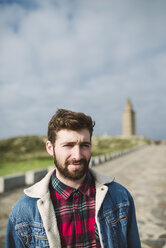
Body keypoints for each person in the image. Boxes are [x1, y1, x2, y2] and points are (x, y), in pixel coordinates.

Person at [6, 109, 141, 248]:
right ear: (50, 148)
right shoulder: (24, 211)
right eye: (68, 145)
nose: (77, 155)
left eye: (84, 145)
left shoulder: (120, 197)